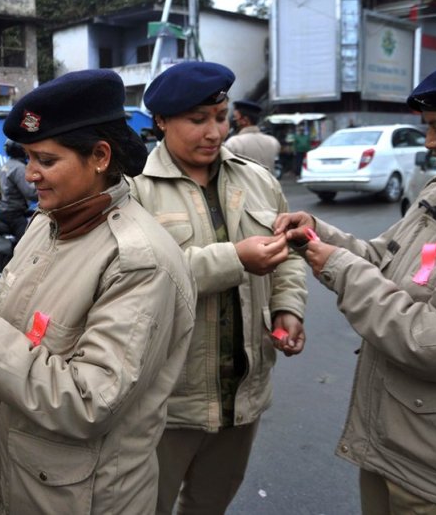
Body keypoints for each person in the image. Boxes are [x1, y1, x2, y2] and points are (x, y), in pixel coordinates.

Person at [0, 69, 196, 514]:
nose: (31, 174)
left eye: (47, 160)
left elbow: (86, 400)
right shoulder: (46, 225)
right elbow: (15, 331)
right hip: (27, 487)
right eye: (29, 158)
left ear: (99, 156)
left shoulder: (138, 261)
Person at [274, 48, 436, 513]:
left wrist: (338, 267)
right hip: (399, 446)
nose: (428, 142)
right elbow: (384, 260)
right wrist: (315, 236)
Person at [129, 61, 308, 515]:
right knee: (147, 506)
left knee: (209, 505)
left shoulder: (258, 180)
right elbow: (138, 280)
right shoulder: (134, 191)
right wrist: (234, 259)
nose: (213, 132)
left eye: (221, 117)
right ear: (162, 122)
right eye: (197, 120)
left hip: (242, 394)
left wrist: (288, 308)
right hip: (169, 402)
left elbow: (288, 257)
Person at [0, 138, 37, 241]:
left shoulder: (6, 165)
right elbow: (31, 193)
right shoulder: (19, 168)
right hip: (14, 215)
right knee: (27, 242)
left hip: (3, 212)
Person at [224, 99, 281, 175]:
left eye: (235, 117)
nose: (234, 120)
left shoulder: (233, 143)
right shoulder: (273, 141)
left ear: (245, 120)